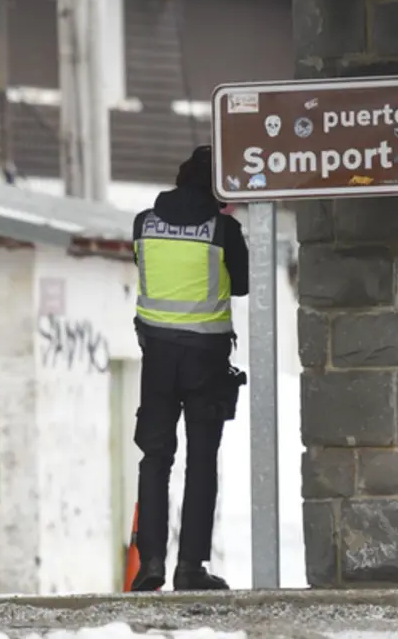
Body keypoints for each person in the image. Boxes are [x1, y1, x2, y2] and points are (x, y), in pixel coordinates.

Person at [129, 144, 249, 592]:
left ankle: (151, 565)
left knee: (155, 458)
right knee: (201, 461)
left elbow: (143, 266)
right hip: (206, 359)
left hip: (156, 357)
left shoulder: (144, 223)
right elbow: (244, 285)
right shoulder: (223, 229)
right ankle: (190, 568)